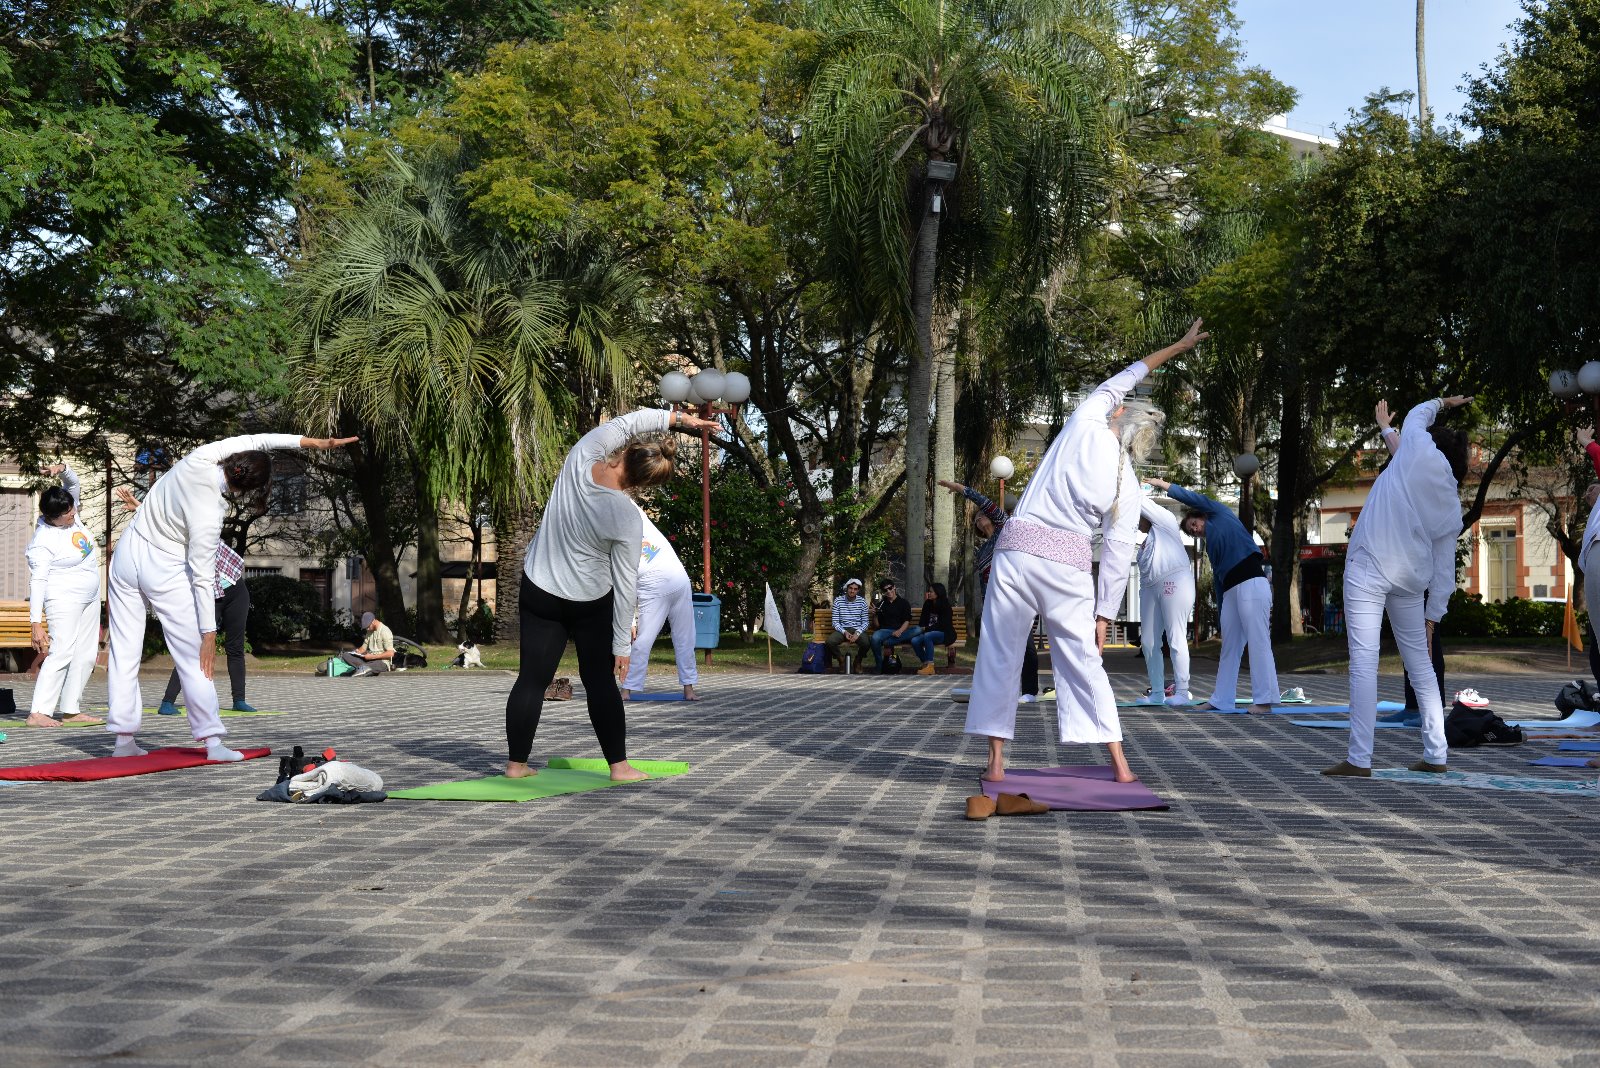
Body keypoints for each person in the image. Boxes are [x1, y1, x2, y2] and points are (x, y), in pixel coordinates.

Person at [965, 320, 1206, 784]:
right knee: (1084, 663)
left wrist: (1177, 345)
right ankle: (1120, 766)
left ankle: (995, 764)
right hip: (1067, 564)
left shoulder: (1085, 418)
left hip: (1017, 551)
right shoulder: (1126, 482)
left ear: (1118, 411)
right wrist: (1103, 615)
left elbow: (1132, 372)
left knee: (1000, 654)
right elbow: (1116, 552)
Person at [105, 433, 356, 758]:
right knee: (194, 657)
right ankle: (212, 742)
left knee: (124, 650)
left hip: (127, 553)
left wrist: (308, 442)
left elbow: (257, 439)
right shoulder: (210, 512)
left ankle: (123, 740)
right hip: (162, 566)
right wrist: (209, 634)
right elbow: (202, 576)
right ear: (245, 489)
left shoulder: (201, 456)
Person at [505, 407, 717, 782]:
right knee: (600, 682)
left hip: (540, 588)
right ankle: (619, 767)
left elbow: (627, 422)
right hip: (589, 602)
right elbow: (625, 583)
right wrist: (622, 646)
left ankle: (516, 765)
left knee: (532, 680)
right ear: (642, 483)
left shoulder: (582, 456)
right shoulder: (627, 516)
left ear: (626, 451)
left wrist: (680, 420)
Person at [1322, 396, 1471, 776]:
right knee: (1421, 665)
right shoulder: (1450, 502)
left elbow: (1418, 414)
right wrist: (1433, 617)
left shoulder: (1415, 452)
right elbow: (1444, 569)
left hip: (1369, 566)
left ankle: (1359, 759)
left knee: (1364, 662)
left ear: (1431, 443)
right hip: (1410, 580)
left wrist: (1444, 401)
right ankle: (1436, 755)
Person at [116, 486, 257, 715]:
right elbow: (160, 524)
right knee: (192, 647)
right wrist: (140, 508)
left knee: (235, 647)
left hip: (235, 588)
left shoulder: (204, 520)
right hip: (209, 596)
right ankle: (168, 701)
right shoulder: (177, 536)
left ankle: (239, 699)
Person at [1147, 477, 1279, 714]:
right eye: (1192, 531)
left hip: (1251, 581)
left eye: (1194, 523)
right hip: (1231, 591)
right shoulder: (1211, 547)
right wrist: (1221, 615)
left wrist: (1165, 486)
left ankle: (1264, 700)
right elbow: (1219, 582)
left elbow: (1192, 498)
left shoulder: (1219, 513)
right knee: (1229, 647)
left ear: (1201, 516)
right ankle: (1222, 700)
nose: (1195, 529)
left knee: (1258, 640)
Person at [1374, 400, 1448, 721]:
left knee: (1426, 638)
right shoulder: (1416, 472)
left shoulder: (1425, 475)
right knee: (1412, 639)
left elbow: (1402, 454)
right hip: (1408, 565)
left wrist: (1386, 428)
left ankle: (1429, 706)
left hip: (1423, 568)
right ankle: (1414, 705)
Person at [938, 479, 1040, 699]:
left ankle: (1030, 690)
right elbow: (984, 581)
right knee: (997, 650)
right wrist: (986, 608)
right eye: (976, 519)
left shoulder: (1005, 529)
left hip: (1017, 597)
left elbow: (986, 503)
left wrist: (962, 489)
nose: (979, 518)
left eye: (981, 515)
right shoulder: (983, 550)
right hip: (995, 603)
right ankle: (998, 691)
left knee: (1025, 644)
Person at [24, 462, 106, 728]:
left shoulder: (72, 517)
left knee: (86, 654)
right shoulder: (43, 542)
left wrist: (62, 469)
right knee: (61, 653)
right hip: (63, 600)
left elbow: (74, 485)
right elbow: (38, 582)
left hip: (90, 598)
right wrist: (36, 623)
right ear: (52, 517)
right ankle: (38, 712)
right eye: (68, 512)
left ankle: (71, 709)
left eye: (72, 507)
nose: (74, 512)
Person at [621, 505, 698, 701]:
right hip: (657, 587)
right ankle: (627, 689)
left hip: (677, 581)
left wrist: (630, 622)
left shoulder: (637, 519)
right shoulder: (618, 545)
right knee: (646, 641)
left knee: (683, 638)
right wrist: (630, 622)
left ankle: (688, 689)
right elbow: (626, 588)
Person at [1133, 499, 1195, 706]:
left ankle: (1182, 692)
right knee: (1148, 642)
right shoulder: (1145, 543)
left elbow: (1136, 498)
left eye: (1137, 518)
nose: (1136, 524)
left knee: (1175, 637)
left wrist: (1121, 485)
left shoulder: (1165, 522)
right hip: (1150, 587)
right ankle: (1158, 692)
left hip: (1175, 580)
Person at [869, 580, 919, 671]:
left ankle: (888, 642)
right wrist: (875, 615)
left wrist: (899, 631)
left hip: (901, 632)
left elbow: (906, 621)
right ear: (883, 592)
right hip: (885, 631)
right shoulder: (881, 604)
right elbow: (877, 626)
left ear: (894, 587)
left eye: (890, 588)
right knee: (875, 638)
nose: (888, 591)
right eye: (885, 590)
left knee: (918, 629)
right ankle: (879, 665)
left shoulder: (904, 603)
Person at [826, 578, 872, 670]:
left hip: (857, 629)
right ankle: (841, 659)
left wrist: (857, 633)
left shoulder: (862, 602)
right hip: (843, 629)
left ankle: (858, 661)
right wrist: (844, 632)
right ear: (847, 588)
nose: (852, 591)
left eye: (855, 589)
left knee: (866, 643)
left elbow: (865, 622)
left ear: (858, 590)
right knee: (830, 641)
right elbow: (835, 622)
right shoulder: (838, 601)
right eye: (850, 588)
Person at [911, 582, 955, 673]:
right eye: (929, 591)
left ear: (938, 592)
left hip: (944, 634)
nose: (929, 593)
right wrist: (923, 628)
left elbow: (943, 625)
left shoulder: (945, 605)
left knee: (928, 635)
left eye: (931, 592)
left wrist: (926, 629)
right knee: (914, 641)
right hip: (928, 633)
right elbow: (922, 621)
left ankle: (930, 667)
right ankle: (926, 663)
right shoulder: (927, 603)